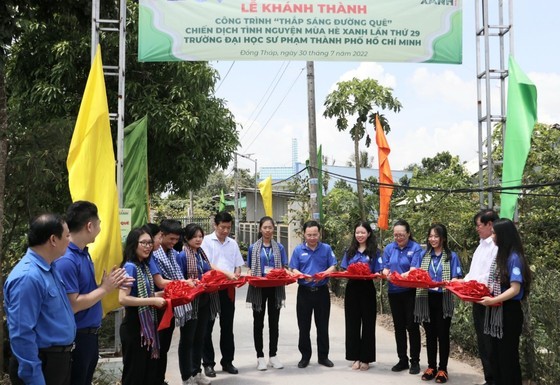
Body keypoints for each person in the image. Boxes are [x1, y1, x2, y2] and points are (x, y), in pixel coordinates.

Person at [54, 201, 131, 385]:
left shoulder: (83, 253)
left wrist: (107, 284)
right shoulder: (67, 260)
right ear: (89, 226)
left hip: (89, 335)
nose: (100, 228)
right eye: (99, 223)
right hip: (77, 336)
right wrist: (105, 288)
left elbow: (85, 290)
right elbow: (73, 304)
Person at [4, 214, 76, 385]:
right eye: (67, 235)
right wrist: (34, 378)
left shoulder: (50, 268)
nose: (69, 240)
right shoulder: (28, 277)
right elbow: (22, 334)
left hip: (57, 362)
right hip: (41, 365)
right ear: (53, 239)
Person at [479, 218, 531, 385]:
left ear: (503, 235)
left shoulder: (514, 257)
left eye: (494, 233)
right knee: (496, 355)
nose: (492, 236)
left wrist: (493, 300)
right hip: (497, 311)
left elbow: (515, 289)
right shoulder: (501, 256)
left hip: (509, 312)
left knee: (508, 356)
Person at [412, 224, 463, 383]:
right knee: (430, 334)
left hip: (443, 298)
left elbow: (457, 277)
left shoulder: (451, 256)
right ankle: (431, 366)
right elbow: (415, 273)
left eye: (436, 236)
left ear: (443, 238)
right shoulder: (423, 255)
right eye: (430, 236)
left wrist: (449, 282)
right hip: (426, 298)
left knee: (443, 334)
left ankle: (443, 369)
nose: (432, 239)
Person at [119, 227, 167, 385]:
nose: (148, 246)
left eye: (150, 243)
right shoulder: (130, 267)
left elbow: (145, 295)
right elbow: (123, 299)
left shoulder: (144, 267)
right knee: (134, 374)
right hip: (134, 327)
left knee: (148, 373)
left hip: (146, 326)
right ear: (133, 244)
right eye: (144, 243)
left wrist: (162, 295)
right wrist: (152, 301)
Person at [201, 212, 245, 376]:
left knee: (227, 327)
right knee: (207, 327)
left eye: (228, 227)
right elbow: (207, 264)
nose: (226, 230)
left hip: (227, 290)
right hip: (211, 290)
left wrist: (237, 273)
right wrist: (227, 273)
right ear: (215, 225)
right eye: (223, 227)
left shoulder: (232, 243)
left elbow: (238, 265)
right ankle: (208, 363)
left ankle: (227, 361)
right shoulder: (205, 241)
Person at [289, 220, 337, 369]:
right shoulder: (298, 250)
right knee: (304, 326)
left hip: (321, 292)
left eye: (315, 234)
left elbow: (333, 266)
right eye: (309, 235)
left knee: (322, 326)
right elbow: (293, 268)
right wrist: (302, 275)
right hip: (304, 292)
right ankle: (305, 356)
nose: (312, 237)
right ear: (304, 234)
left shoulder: (326, 249)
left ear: (319, 234)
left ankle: (323, 357)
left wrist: (324, 274)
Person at [176, 224, 220, 385]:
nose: (198, 239)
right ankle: (186, 376)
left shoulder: (201, 254)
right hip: (190, 304)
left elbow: (208, 272)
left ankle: (196, 372)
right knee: (187, 339)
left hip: (204, 301)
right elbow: (179, 280)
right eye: (195, 236)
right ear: (187, 238)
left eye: (201, 236)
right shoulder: (182, 256)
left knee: (199, 338)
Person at [152, 219, 194, 384]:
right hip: (159, 306)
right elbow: (161, 281)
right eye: (171, 239)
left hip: (170, 305)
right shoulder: (154, 255)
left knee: (165, 347)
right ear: (161, 235)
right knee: (159, 347)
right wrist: (183, 283)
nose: (173, 243)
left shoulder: (172, 254)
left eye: (176, 240)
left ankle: (160, 379)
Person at [246, 216, 289, 371]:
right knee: (258, 323)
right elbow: (250, 268)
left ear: (274, 229)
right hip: (259, 289)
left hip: (275, 289)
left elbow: (283, 268)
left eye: (270, 227)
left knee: (274, 323)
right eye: (265, 227)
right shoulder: (253, 247)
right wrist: (251, 276)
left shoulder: (280, 248)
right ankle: (260, 357)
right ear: (260, 229)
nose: (268, 230)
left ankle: (273, 355)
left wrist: (288, 275)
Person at [382, 219, 423, 374]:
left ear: (408, 234)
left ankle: (415, 361)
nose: (398, 237)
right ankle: (402, 359)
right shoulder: (389, 248)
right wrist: (387, 275)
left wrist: (401, 276)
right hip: (394, 292)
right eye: (396, 235)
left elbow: (414, 269)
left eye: (401, 234)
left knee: (412, 327)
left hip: (410, 292)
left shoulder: (415, 248)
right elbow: (385, 268)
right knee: (399, 327)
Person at [341, 221, 382, 371]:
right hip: (352, 288)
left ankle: (366, 358)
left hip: (367, 288)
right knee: (352, 323)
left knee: (368, 323)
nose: (359, 235)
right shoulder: (349, 251)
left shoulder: (375, 252)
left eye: (363, 232)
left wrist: (376, 275)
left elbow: (378, 271)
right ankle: (355, 357)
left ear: (369, 234)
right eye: (357, 232)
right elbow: (344, 270)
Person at [464, 209, 499, 385]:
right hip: (477, 299)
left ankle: (495, 378)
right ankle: (488, 378)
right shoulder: (480, 246)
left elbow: (489, 276)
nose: (477, 229)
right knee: (482, 340)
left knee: (491, 342)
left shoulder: (496, 247)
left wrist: (470, 284)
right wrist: (462, 282)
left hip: (491, 300)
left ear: (490, 224)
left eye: (479, 225)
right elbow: (473, 273)